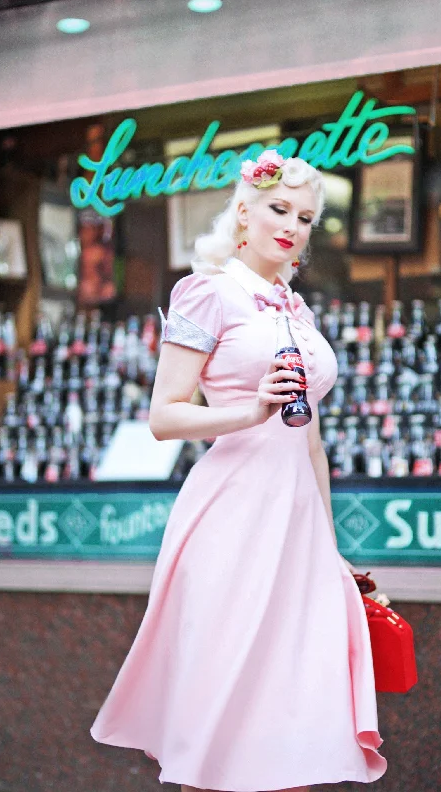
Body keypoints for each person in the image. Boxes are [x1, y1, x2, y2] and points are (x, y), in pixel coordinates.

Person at [90, 149, 387, 791]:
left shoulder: (297, 313)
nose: (292, 225)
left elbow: (310, 441)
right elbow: (164, 416)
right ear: (244, 212)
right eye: (279, 209)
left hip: (296, 525)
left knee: (294, 703)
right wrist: (250, 412)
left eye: (306, 217)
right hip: (230, 515)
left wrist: (329, 547)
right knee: (225, 703)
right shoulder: (208, 293)